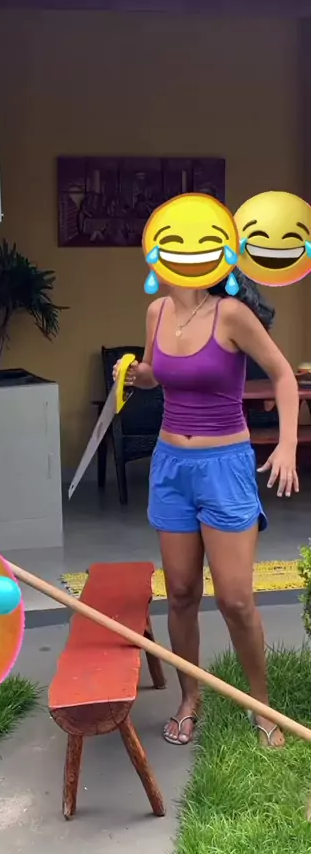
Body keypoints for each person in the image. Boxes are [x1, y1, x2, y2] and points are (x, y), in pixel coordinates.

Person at [114, 270, 299, 748]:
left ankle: (262, 706)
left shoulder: (231, 314)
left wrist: (286, 445)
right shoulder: (157, 312)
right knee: (180, 593)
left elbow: (282, 373)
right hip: (171, 467)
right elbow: (155, 373)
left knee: (235, 599)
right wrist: (135, 374)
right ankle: (189, 698)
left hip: (224, 466)